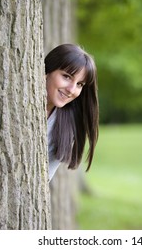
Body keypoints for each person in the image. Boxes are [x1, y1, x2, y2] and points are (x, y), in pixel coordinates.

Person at [45, 44, 99, 181]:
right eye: (67, 77)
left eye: (80, 84)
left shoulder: (66, 126)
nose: (71, 89)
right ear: (47, 71)